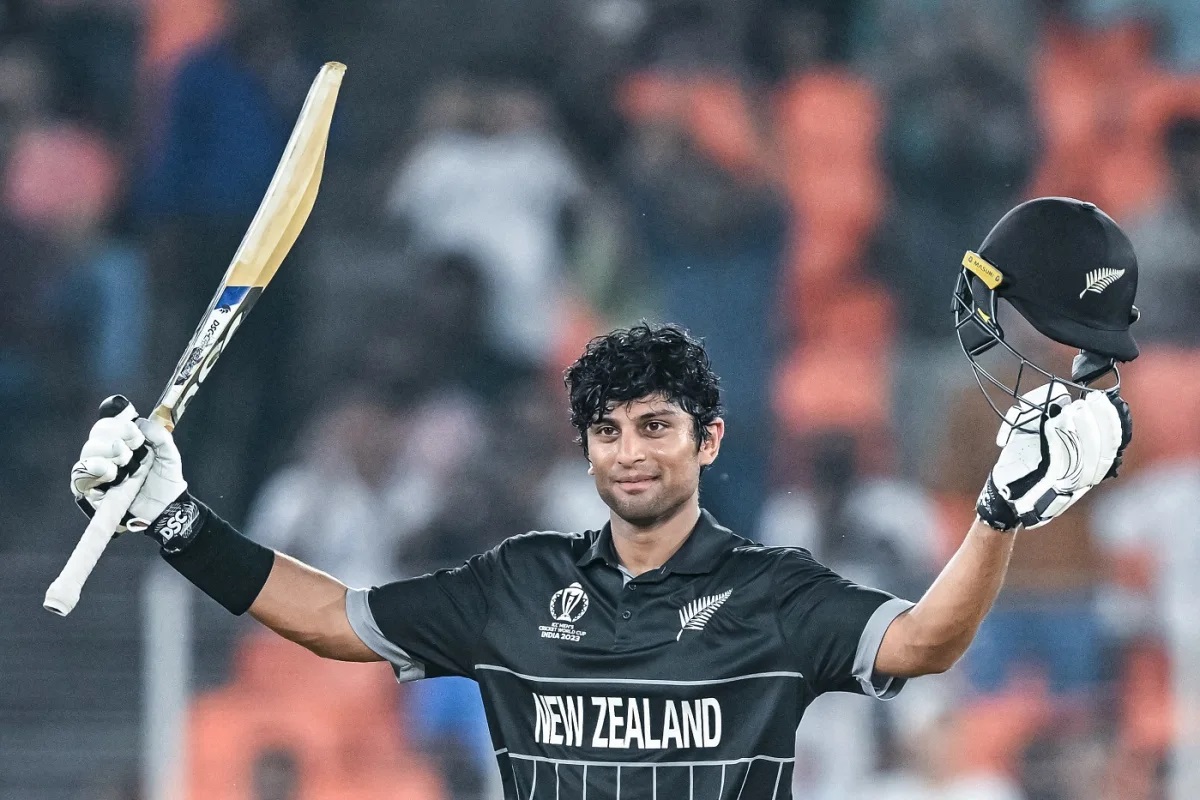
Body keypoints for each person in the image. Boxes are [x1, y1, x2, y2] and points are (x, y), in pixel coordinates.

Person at [70, 314, 1129, 798]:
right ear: (583, 448)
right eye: (608, 431)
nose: (631, 452)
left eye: (657, 426)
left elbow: (927, 641)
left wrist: (999, 512)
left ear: (708, 440)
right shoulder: (516, 583)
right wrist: (176, 519)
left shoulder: (773, 592)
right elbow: (332, 619)